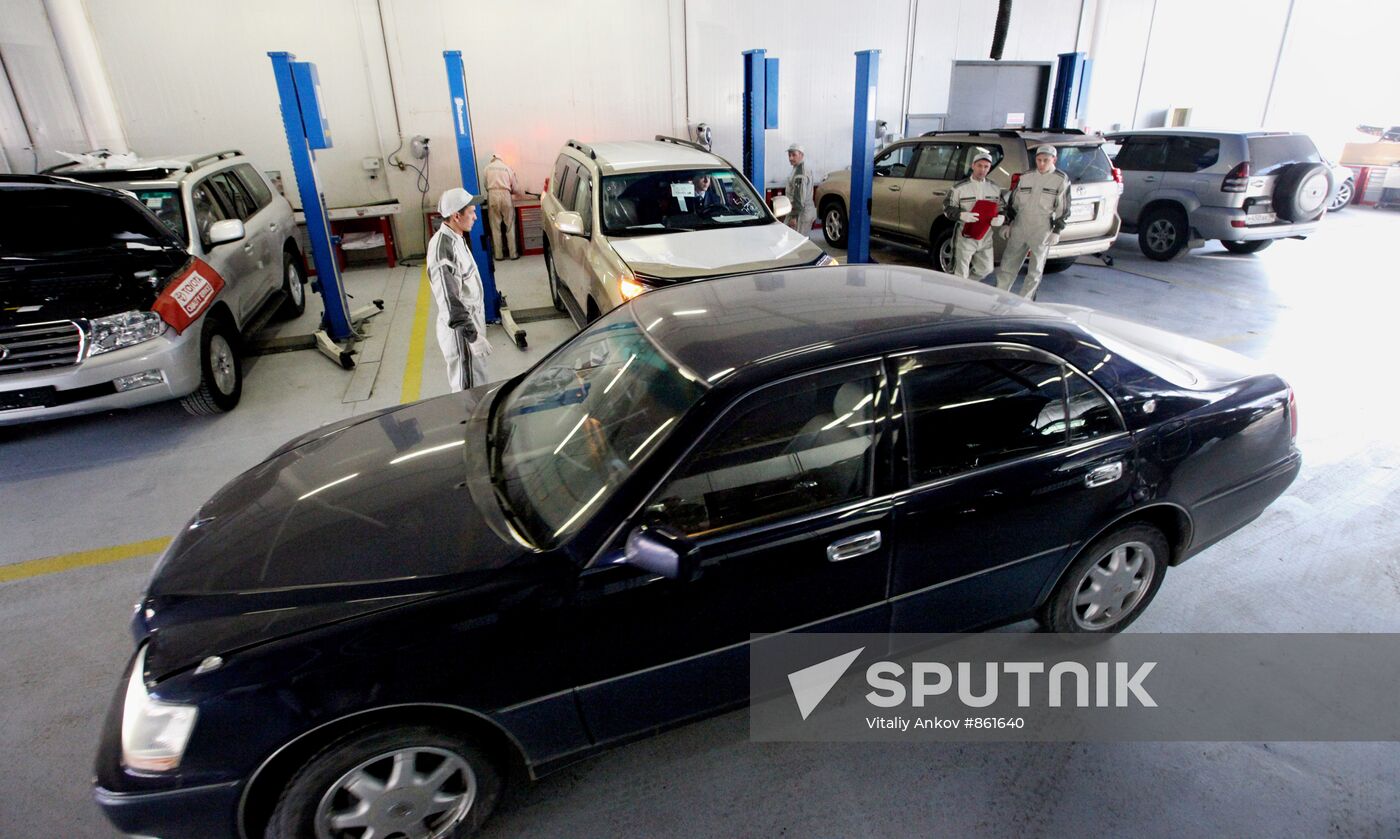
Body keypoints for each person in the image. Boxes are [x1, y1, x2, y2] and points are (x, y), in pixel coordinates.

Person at [427, 187, 492, 392]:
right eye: (471, 212)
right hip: (461, 334)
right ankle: (470, 423)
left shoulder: (456, 237)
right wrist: (472, 336)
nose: (475, 216)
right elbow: (451, 302)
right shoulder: (443, 252)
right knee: (467, 388)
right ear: (456, 216)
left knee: (477, 381)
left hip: (471, 323)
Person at [995, 144, 1071, 299]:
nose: (1041, 164)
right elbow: (1013, 203)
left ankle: (1026, 302)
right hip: (1020, 225)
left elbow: (1063, 208)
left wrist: (1057, 230)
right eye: (1039, 160)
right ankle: (999, 298)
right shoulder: (1026, 177)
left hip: (1042, 228)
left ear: (1054, 159)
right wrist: (1007, 223)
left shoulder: (1060, 180)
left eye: (1046, 160)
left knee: (1035, 270)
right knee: (1008, 265)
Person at [942, 150, 1005, 281]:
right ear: (973, 166)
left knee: (986, 268)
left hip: (986, 235)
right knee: (960, 271)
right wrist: (961, 215)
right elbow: (947, 207)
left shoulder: (994, 188)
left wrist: (1001, 217)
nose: (982, 170)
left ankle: (967, 287)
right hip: (965, 234)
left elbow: (1002, 207)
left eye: (986, 166)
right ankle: (958, 297)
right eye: (979, 166)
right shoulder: (959, 188)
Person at [482, 153, 522, 260]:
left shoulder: (487, 169)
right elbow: (515, 188)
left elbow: (485, 185)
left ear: (493, 159)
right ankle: (513, 254)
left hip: (492, 195)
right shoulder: (507, 168)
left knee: (495, 227)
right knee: (510, 225)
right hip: (506, 195)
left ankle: (499, 255)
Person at [785, 143, 816, 234]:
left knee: (798, 242)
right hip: (800, 212)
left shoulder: (800, 172)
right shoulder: (798, 168)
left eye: (794, 155)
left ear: (801, 155)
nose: (790, 158)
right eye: (789, 155)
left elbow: (799, 196)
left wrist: (794, 217)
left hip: (801, 214)